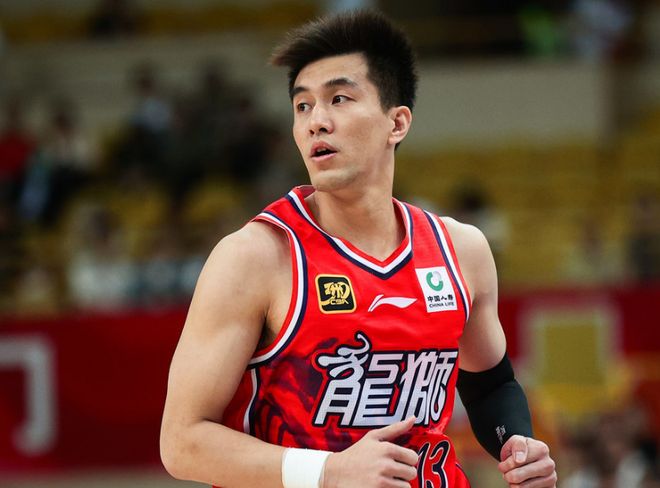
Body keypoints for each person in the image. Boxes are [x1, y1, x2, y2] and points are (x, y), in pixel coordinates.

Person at [160, 9, 557, 488]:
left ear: (397, 123)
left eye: (339, 99)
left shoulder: (461, 250)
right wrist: (327, 472)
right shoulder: (257, 256)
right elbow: (182, 442)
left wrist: (517, 445)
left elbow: (491, 383)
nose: (316, 121)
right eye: (302, 106)